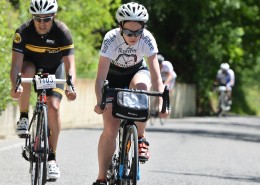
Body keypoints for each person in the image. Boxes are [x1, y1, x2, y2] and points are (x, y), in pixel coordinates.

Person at [93, 2, 169, 185]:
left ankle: (141, 139)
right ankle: (101, 177)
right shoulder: (111, 38)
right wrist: (100, 101)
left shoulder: (148, 38)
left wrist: (160, 104)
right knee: (110, 128)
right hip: (112, 76)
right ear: (120, 27)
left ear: (143, 28)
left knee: (142, 88)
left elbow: (156, 76)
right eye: (128, 33)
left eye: (137, 32)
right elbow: (100, 76)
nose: (133, 37)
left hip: (136, 72)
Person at [10, 0, 77, 180]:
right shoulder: (23, 31)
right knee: (26, 71)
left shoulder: (62, 32)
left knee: (53, 107)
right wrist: (14, 86)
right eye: (37, 19)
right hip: (31, 67)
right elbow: (16, 65)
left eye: (46, 19)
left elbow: (70, 66)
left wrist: (71, 86)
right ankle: (24, 117)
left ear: (53, 16)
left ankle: (52, 158)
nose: (41, 23)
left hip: (54, 69)